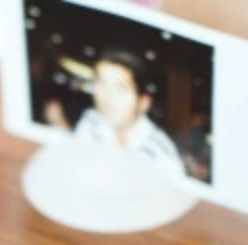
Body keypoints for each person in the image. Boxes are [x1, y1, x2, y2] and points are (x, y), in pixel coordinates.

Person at [44, 49, 188, 181]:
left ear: (143, 102)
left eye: (120, 88)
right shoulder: (92, 121)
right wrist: (60, 126)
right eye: (101, 83)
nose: (106, 96)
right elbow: (77, 163)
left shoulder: (160, 155)